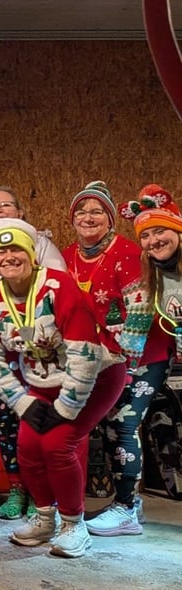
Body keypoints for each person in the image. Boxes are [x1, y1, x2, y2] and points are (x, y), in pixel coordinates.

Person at [0, 218, 125, 558]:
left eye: (16, 249)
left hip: (97, 375)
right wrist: (22, 402)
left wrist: (66, 407)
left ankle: (74, 524)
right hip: (44, 381)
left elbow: (84, 354)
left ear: (32, 254)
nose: (9, 257)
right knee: (28, 446)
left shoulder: (59, 286)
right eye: (1, 252)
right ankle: (45, 518)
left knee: (58, 445)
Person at [63, 181, 166, 536]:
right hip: (99, 358)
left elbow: (141, 308)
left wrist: (128, 364)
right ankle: (127, 503)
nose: (88, 217)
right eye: (81, 211)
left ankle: (126, 508)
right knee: (107, 426)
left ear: (110, 218)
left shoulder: (126, 253)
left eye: (97, 211)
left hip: (140, 356)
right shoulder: (68, 255)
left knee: (122, 423)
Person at [0, 185, 67, 520]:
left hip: (42, 354)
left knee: (40, 425)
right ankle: (17, 489)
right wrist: (2, 326)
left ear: (20, 212)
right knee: (7, 423)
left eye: (6, 205)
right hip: (2, 353)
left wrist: (29, 329)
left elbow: (58, 289)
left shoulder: (41, 245)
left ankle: (42, 495)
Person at [117, 184, 182, 503]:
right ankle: (127, 504)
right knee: (127, 420)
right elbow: (137, 325)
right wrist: (125, 370)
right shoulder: (149, 276)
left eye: (160, 231)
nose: (153, 240)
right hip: (165, 360)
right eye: (145, 235)